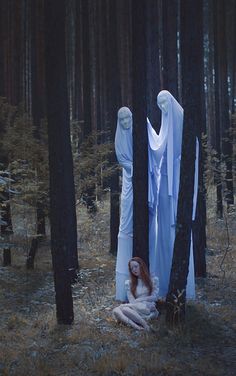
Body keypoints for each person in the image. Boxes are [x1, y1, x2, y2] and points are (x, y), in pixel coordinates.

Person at [151, 90, 197, 299]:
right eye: (159, 104)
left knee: (174, 230)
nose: (163, 108)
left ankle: (178, 285)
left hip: (176, 188)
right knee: (164, 233)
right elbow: (159, 149)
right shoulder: (165, 126)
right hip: (164, 188)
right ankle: (162, 281)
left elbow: (187, 151)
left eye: (165, 103)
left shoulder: (181, 126)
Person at [114, 107, 133, 301]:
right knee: (126, 216)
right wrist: (134, 167)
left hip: (142, 180)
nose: (126, 122)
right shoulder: (119, 138)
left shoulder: (138, 131)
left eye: (128, 118)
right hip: (129, 181)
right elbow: (122, 160)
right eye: (122, 119)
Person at [113, 257, 159, 331]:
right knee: (116, 310)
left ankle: (144, 325)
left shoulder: (153, 280)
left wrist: (141, 299)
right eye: (132, 268)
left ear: (141, 266)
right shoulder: (129, 283)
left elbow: (155, 297)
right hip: (136, 307)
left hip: (148, 307)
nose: (134, 270)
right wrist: (128, 304)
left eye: (136, 266)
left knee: (123, 308)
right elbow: (132, 301)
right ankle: (138, 327)